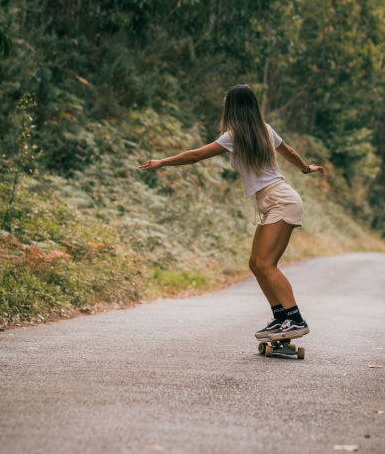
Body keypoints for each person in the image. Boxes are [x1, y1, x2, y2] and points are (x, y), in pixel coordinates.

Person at [139, 84, 325, 342]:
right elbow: (290, 153)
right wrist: (306, 168)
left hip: (281, 200)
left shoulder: (234, 135)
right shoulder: (265, 130)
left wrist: (163, 161)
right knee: (255, 264)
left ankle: (295, 319)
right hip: (273, 200)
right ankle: (281, 317)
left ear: (232, 108)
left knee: (266, 265)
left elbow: (196, 155)